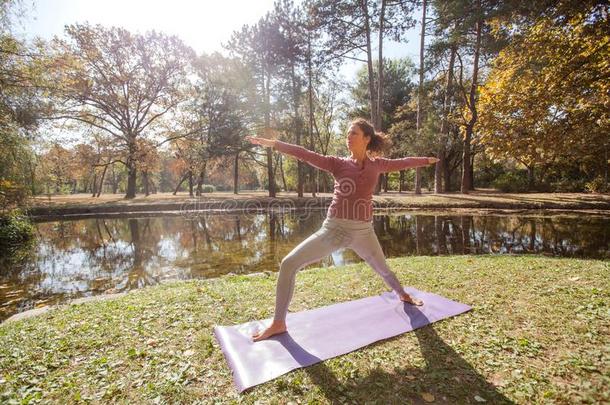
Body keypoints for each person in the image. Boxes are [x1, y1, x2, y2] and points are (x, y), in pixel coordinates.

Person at [246, 118, 439, 342]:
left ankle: (403, 294)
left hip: (364, 232)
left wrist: (426, 160)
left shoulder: (377, 164)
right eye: (347, 133)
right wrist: (274, 144)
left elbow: (403, 162)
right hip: (334, 230)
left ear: (367, 138)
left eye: (353, 133)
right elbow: (305, 153)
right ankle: (278, 322)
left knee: (383, 268)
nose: (348, 136)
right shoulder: (337, 163)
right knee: (289, 263)